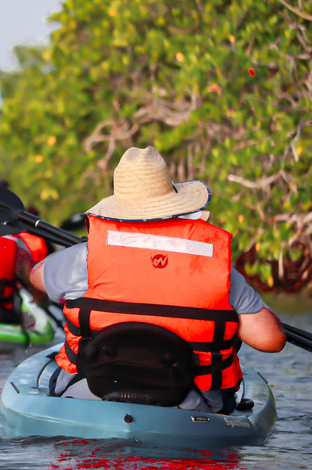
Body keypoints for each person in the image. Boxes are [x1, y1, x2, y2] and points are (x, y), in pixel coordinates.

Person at [30, 146, 286, 414]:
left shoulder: (84, 258)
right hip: (189, 403)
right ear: (176, 205)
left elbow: (37, 278)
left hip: (89, 392)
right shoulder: (218, 269)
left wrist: (86, 251)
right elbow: (271, 340)